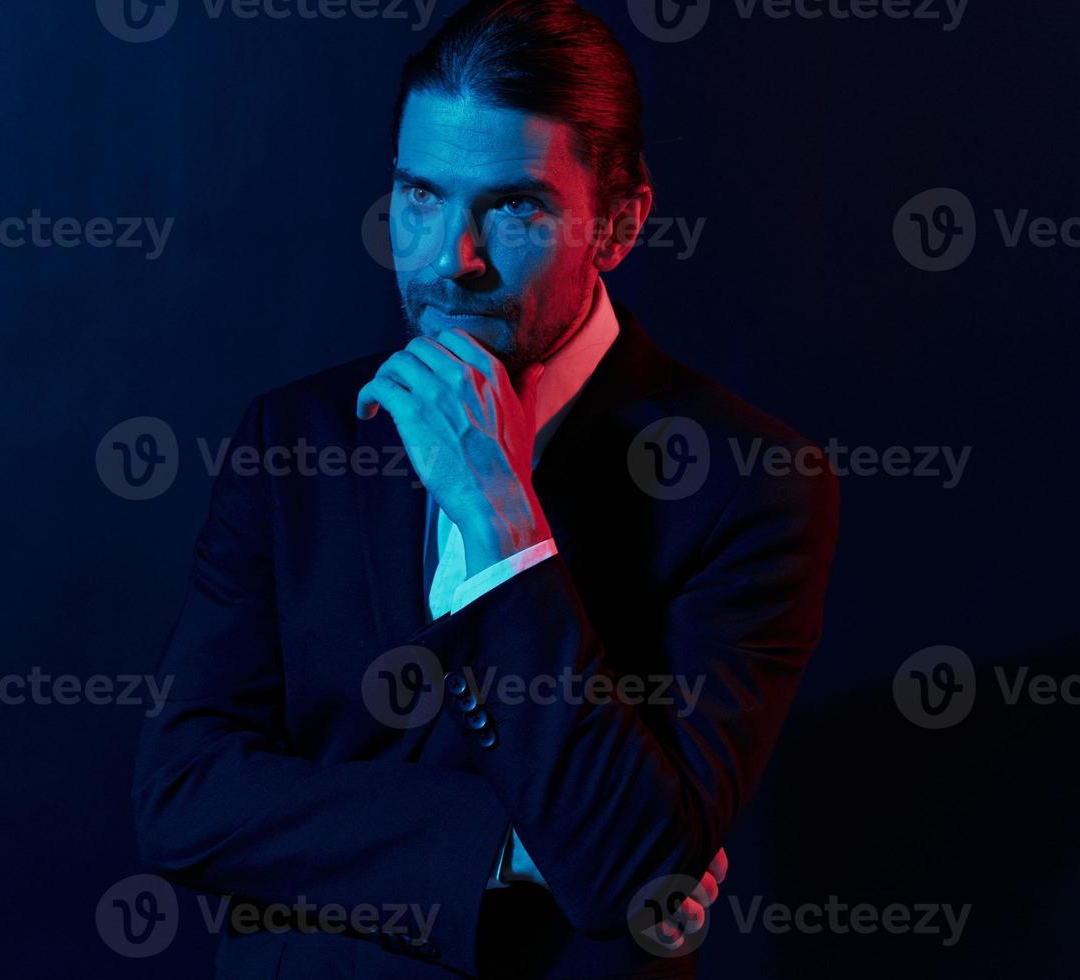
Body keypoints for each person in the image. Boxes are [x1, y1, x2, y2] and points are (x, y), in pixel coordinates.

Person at [133, 1, 839, 976]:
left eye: (515, 208)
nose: (446, 260)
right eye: (420, 196)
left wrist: (502, 518)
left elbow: (631, 873)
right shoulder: (291, 436)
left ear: (622, 222)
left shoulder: (752, 487)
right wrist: (508, 846)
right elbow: (181, 793)